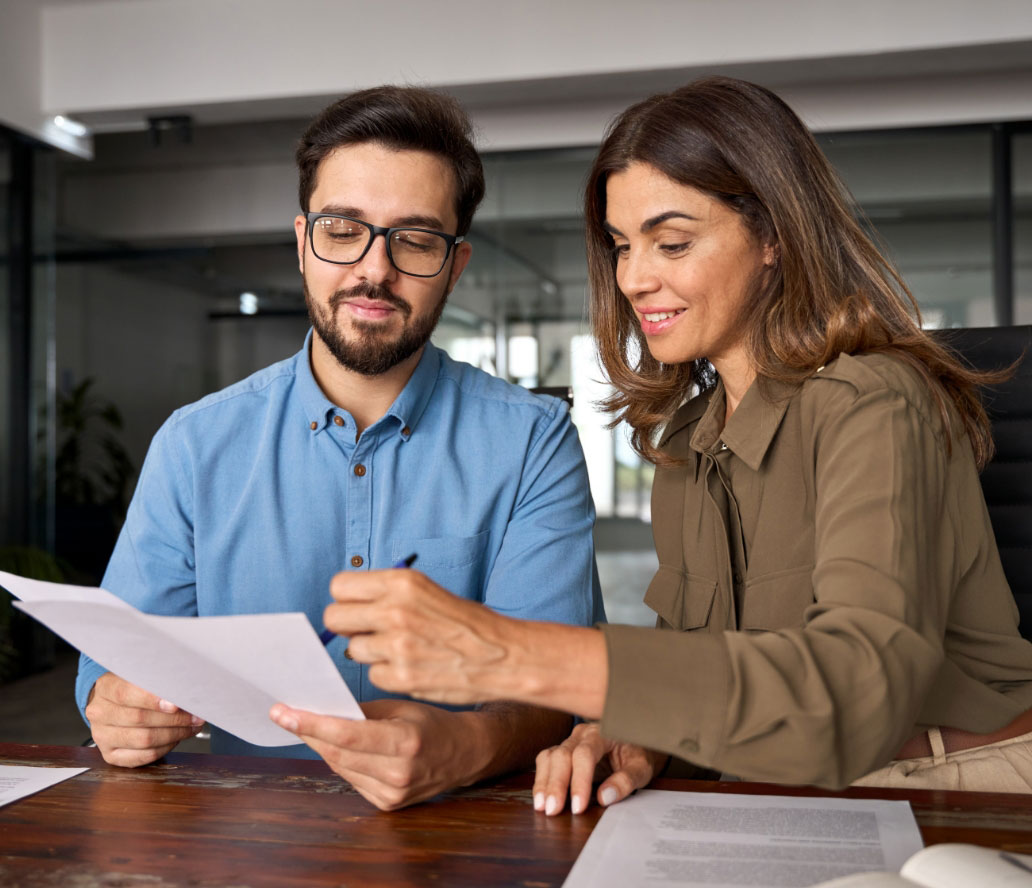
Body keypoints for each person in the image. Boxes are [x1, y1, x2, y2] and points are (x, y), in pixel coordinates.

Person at [315, 76, 1032, 814]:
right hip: (781, 786)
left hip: (961, 792)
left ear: (773, 237)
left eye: (673, 242)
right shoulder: (688, 445)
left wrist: (510, 654)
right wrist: (641, 732)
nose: (633, 277)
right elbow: (714, 677)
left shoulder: (875, 402)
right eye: (622, 246)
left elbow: (852, 701)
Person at [75, 85, 604, 811]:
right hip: (248, 839)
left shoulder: (532, 442)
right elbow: (114, 662)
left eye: (415, 240)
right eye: (343, 229)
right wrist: (113, 704)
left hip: (469, 838)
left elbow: (557, 688)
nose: (375, 270)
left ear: (455, 265)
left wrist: (463, 748)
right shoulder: (195, 445)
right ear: (302, 242)